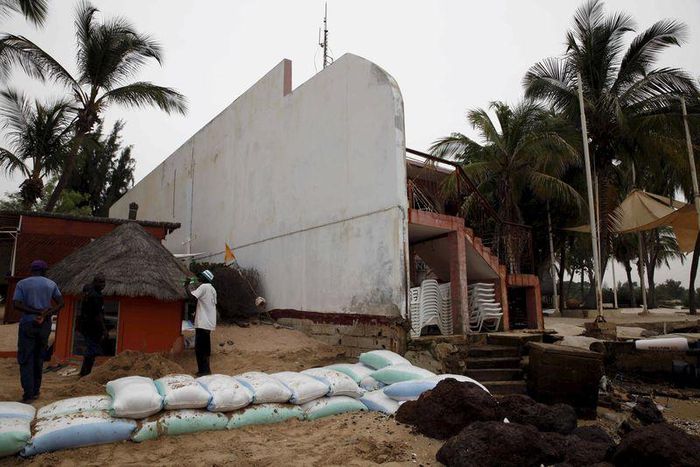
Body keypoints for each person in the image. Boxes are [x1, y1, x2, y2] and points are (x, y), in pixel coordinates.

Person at [12, 260, 64, 402]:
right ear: (45, 271)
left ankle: (28, 394)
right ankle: (35, 391)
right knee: (39, 357)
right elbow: (61, 303)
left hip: (28, 323)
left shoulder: (22, 284)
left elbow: (16, 304)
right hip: (44, 326)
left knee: (26, 358)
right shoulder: (50, 284)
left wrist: (34, 312)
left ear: (32, 270)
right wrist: (45, 314)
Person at [185, 270, 217, 376]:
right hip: (209, 323)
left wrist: (187, 285)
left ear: (204, 279)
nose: (199, 279)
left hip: (203, 323)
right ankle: (206, 369)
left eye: (201, 277)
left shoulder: (204, 287)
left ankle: (203, 371)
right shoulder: (212, 289)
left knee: (200, 348)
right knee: (205, 348)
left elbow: (192, 297)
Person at [77, 274, 107, 377]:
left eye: (104, 282)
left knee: (90, 349)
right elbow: (98, 315)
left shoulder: (88, 289)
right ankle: (86, 374)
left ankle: (83, 372)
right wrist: (104, 329)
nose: (103, 285)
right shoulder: (96, 296)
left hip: (85, 325)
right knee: (92, 350)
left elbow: (86, 287)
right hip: (93, 327)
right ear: (95, 282)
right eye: (100, 282)